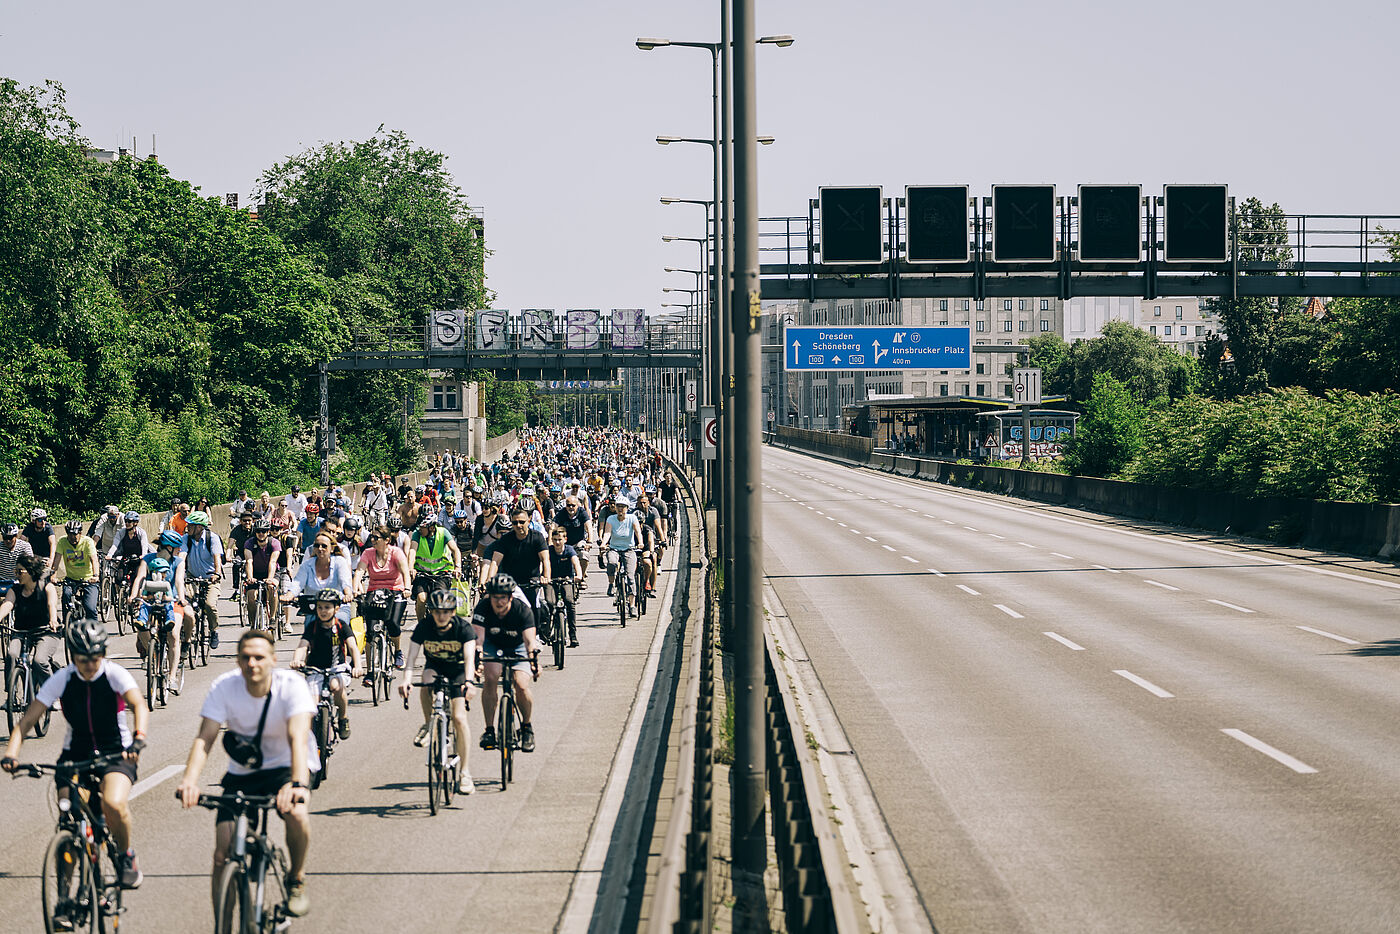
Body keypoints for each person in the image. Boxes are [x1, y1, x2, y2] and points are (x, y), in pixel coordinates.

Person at [2, 619, 149, 894]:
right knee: (68, 818)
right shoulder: (64, 679)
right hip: (76, 753)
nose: (90, 665)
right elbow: (26, 722)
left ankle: (126, 855)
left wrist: (139, 737)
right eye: (83, 659)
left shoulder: (115, 674)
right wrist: (11, 753)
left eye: (95, 658)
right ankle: (64, 898)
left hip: (116, 751)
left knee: (113, 804)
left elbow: (138, 704)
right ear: (73, 656)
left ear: (102, 654)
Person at [176, 629, 315, 919]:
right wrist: (189, 781)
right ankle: (223, 924)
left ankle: (296, 878)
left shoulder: (291, 686)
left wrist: (297, 784)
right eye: (246, 658)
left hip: (286, 767)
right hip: (243, 773)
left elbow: (297, 738)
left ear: (273, 660)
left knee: (298, 814)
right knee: (221, 854)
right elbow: (206, 738)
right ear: (238, 661)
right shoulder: (225, 686)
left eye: (259, 657)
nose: (252, 663)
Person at [398, 588, 476, 795]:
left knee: (459, 718)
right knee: (425, 682)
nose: (441, 616)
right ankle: (428, 724)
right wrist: (406, 681)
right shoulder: (425, 627)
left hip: (458, 670)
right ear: (431, 612)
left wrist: (469, 681)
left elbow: (469, 659)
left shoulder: (463, 628)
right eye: (437, 612)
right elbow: (412, 657)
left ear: (452, 612)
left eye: (446, 612)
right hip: (435, 667)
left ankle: (465, 773)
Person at [472, 574, 540, 754]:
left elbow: (530, 641)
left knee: (520, 683)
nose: (499, 602)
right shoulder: (483, 607)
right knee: (491, 677)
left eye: (503, 598)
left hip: (517, 645)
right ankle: (489, 730)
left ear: (510, 597)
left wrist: (534, 661)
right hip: (492, 644)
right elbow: (478, 639)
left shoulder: (522, 609)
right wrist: (477, 662)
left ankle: (526, 728)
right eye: (495, 597)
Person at [290, 589, 362, 740]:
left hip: (337, 668)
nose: (323, 611)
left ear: (336, 608)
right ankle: (310, 740)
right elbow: (303, 645)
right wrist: (297, 659)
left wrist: (357, 666)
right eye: (320, 607)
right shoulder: (313, 627)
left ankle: (343, 719)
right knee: (311, 703)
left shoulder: (341, 626)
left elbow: (352, 647)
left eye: (327, 607)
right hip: (315, 669)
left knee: (337, 686)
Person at [0, 554, 63, 694]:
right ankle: (12, 693)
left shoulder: (47, 587)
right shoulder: (15, 590)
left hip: (46, 631)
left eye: (20, 571)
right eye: (15, 571)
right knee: (11, 654)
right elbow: (7, 604)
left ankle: (52, 695)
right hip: (22, 632)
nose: (17, 575)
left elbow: (51, 604)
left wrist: (53, 619)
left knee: (39, 661)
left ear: (30, 571)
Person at [482, 507, 549, 629]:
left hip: (532, 581)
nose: (518, 525)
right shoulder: (505, 540)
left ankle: (536, 634)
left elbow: (545, 559)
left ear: (529, 520)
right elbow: (495, 562)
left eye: (522, 522)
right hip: (511, 583)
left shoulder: (537, 537)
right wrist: (490, 579)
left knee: (535, 605)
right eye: (515, 522)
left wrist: (546, 577)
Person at [355, 526, 411, 669]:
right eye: (371, 537)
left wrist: (407, 588)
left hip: (395, 590)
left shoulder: (396, 552)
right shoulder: (368, 553)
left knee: (392, 623)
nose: (372, 540)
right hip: (375, 590)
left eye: (376, 538)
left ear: (387, 540)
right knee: (370, 632)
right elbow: (359, 572)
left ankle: (398, 651)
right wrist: (355, 588)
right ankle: (369, 671)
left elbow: (405, 572)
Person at [284, 532, 354, 628]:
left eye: (324, 546)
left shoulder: (339, 562)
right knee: (308, 635)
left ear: (332, 548)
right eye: (317, 546)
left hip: (338, 608)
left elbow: (345, 581)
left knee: (342, 628)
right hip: (314, 609)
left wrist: (348, 594)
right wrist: (289, 595)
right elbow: (298, 583)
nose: (320, 549)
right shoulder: (307, 565)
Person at [180, 512, 224, 650]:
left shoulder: (213, 538)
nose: (188, 528)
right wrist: (178, 572)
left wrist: (216, 573)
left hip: (210, 578)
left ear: (199, 527)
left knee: (209, 605)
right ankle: (186, 634)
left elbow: (217, 558)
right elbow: (182, 556)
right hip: (192, 577)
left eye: (191, 525)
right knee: (185, 603)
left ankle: (213, 631)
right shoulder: (185, 539)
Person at [409, 513, 461, 622]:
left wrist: (458, 567)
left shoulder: (443, 533)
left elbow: (455, 550)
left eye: (423, 527)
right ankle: (421, 625)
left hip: (441, 573)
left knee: (440, 599)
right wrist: (411, 568)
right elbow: (412, 551)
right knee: (421, 599)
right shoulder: (417, 534)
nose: (420, 529)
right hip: (422, 573)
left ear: (431, 528)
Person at [53, 518, 101, 622]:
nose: (72, 537)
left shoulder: (88, 542)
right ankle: (67, 624)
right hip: (71, 579)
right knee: (66, 596)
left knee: (90, 608)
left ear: (80, 533)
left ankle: (95, 630)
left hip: (88, 580)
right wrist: (53, 576)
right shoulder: (62, 541)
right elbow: (56, 560)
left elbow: (94, 560)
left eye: (75, 534)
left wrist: (96, 576)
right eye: (70, 534)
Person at [545, 526, 583, 648]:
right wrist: (543, 577)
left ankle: (573, 635)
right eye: (555, 539)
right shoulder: (548, 551)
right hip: (551, 580)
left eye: (559, 539)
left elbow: (576, 562)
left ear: (565, 539)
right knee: (549, 603)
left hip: (567, 580)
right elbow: (542, 564)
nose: (557, 542)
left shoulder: (569, 550)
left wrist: (579, 575)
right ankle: (547, 631)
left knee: (569, 602)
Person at [243, 520, 281, 627]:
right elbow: (249, 561)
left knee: (271, 587)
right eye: (258, 531)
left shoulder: (274, 543)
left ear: (268, 532)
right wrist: (250, 577)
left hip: (271, 572)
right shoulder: (249, 543)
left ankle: (273, 618)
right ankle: (253, 624)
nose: (261, 534)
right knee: (251, 596)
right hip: (255, 573)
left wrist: (270, 578)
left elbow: (273, 562)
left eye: (264, 531)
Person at [0, 522, 34, 594]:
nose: (7, 541)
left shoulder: (24, 546)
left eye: (10, 538)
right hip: (2, 581)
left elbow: (30, 565)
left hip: (19, 581)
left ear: (16, 536)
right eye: (5, 538)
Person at [22, 507, 56, 573]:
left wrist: (51, 559)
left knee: (45, 575)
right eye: (40, 520)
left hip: (46, 557)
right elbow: (21, 541)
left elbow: (53, 544)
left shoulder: (48, 527)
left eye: (44, 519)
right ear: (34, 521)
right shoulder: (29, 527)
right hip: (33, 556)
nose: (43, 522)